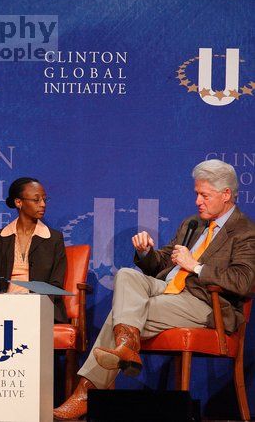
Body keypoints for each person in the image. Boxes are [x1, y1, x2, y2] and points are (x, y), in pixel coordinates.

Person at [54, 159, 255, 420]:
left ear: (226, 194)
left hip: (205, 303)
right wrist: (146, 252)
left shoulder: (244, 231)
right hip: (165, 289)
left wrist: (196, 267)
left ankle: (86, 393)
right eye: (196, 194)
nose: (197, 201)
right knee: (127, 274)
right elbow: (162, 263)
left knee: (122, 314)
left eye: (204, 195)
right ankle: (126, 344)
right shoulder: (192, 224)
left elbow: (244, 281)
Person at [0, 177, 68, 323]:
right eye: (36, 200)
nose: (43, 204)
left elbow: (56, 284)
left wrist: (31, 304)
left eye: (44, 199)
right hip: (4, 307)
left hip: (40, 308)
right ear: (19, 202)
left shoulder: (54, 238)